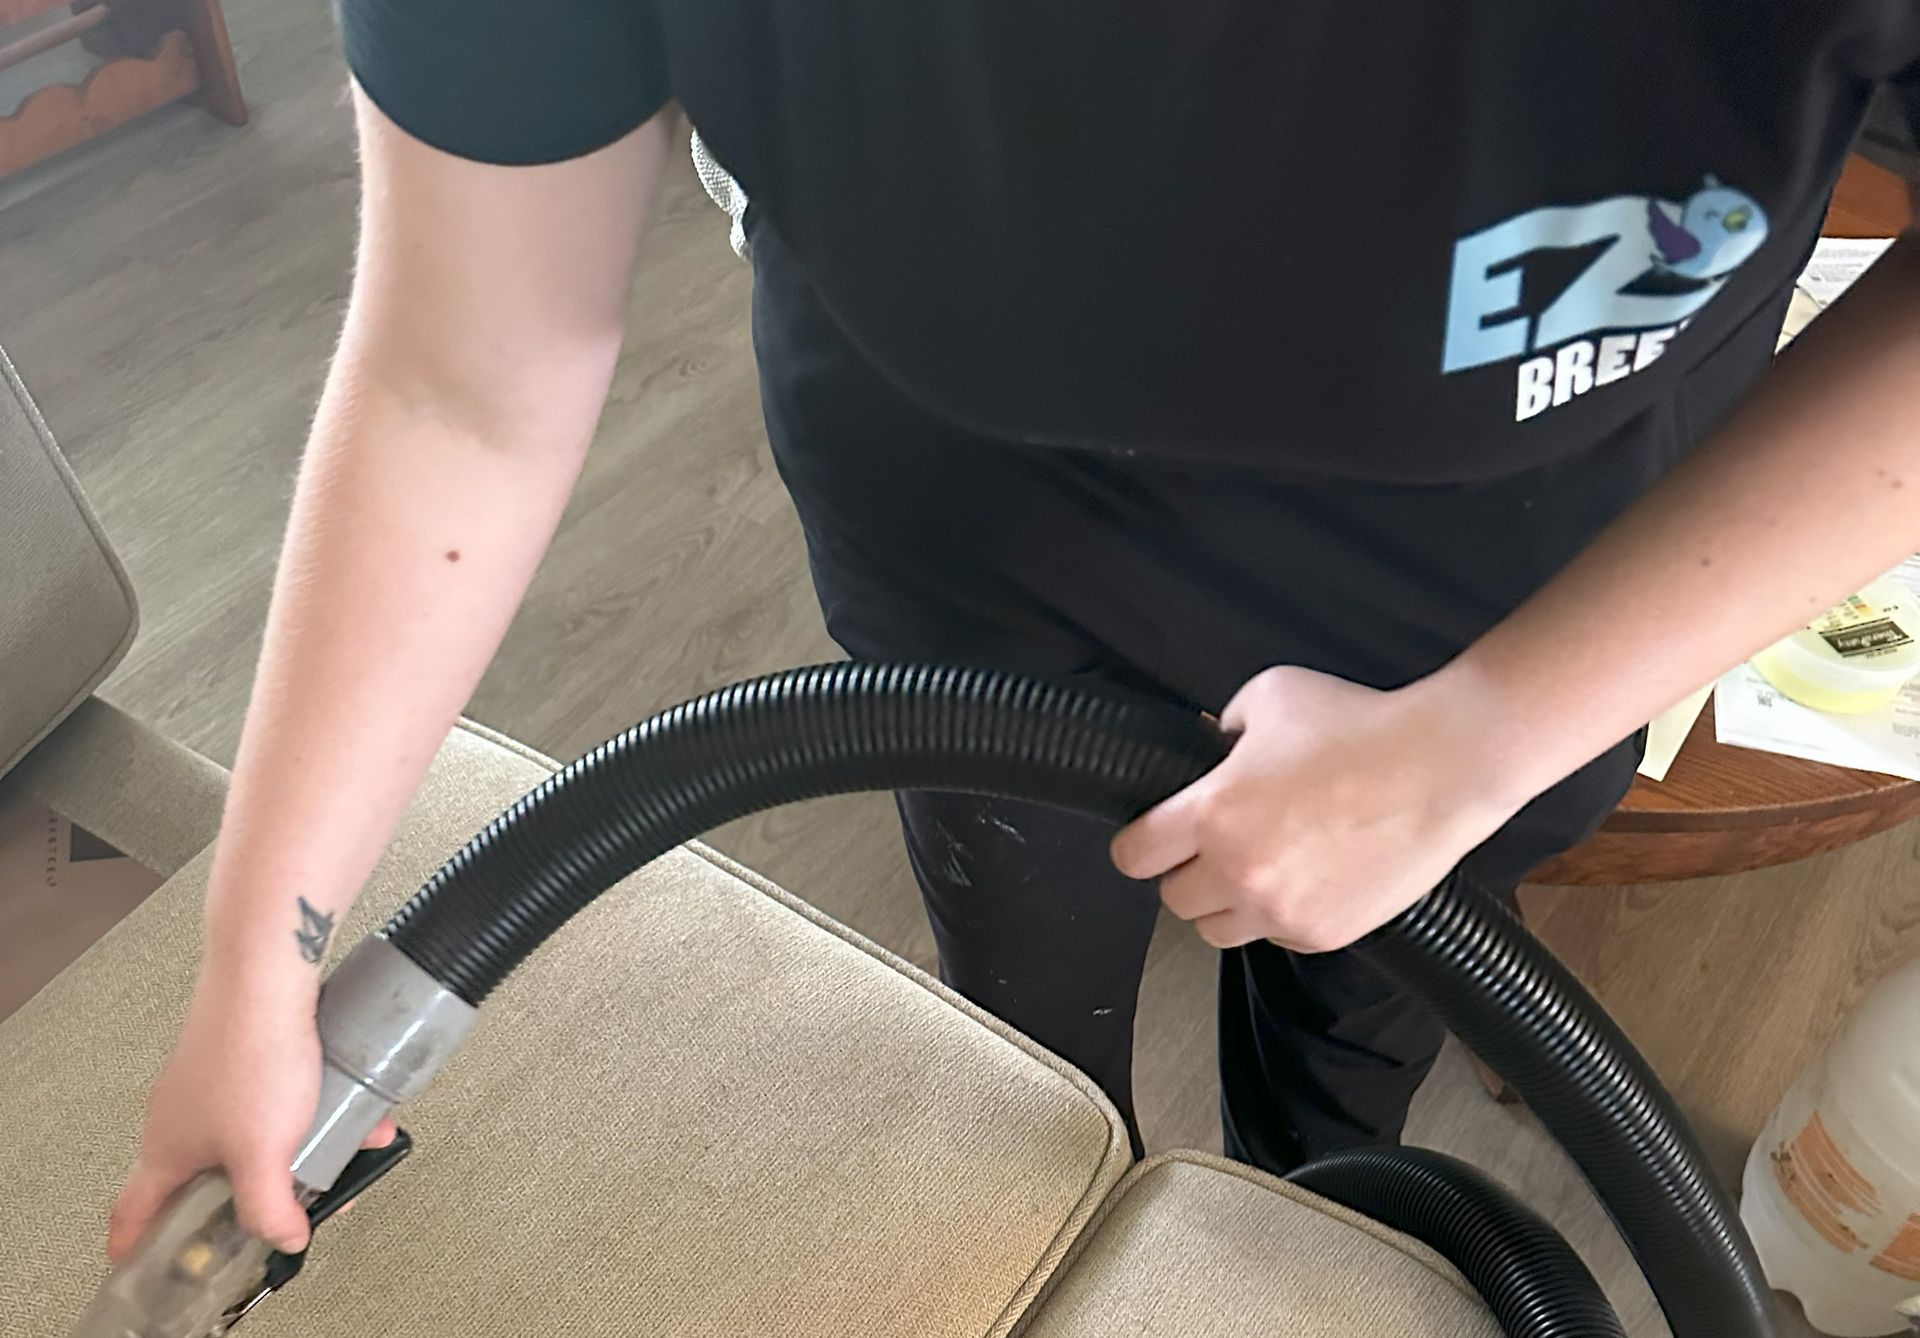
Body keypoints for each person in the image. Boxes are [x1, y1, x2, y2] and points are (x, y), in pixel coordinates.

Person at [112, 3, 1920, 1258]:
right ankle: (1074, 1215)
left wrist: (1484, 736)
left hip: (1505, 615)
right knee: (1029, 1028)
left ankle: (1324, 1206)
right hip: (980, 572)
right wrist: (258, 957)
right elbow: (464, 378)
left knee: (1357, 1034)